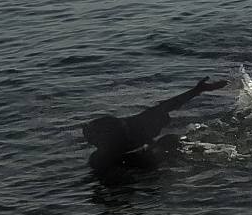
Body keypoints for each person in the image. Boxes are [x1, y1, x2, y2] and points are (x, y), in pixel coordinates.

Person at [82, 77, 235, 184]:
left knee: (167, 143)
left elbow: (168, 105)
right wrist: (198, 89)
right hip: (130, 161)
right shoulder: (134, 129)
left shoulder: (137, 128)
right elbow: (168, 106)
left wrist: (198, 89)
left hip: (137, 163)